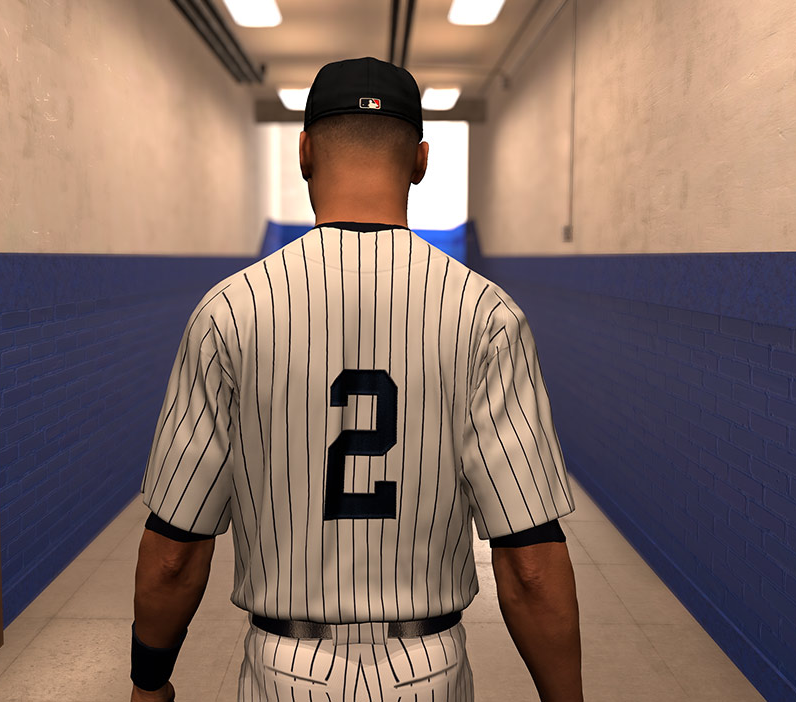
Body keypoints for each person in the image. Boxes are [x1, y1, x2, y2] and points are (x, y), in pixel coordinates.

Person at [129, 56, 584, 702]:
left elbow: (175, 552)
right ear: (421, 161)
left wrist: (149, 684)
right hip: (428, 666)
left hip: (285, 666)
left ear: (305, 152)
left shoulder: (229, 312)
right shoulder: (488, 316)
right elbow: (531, 566)